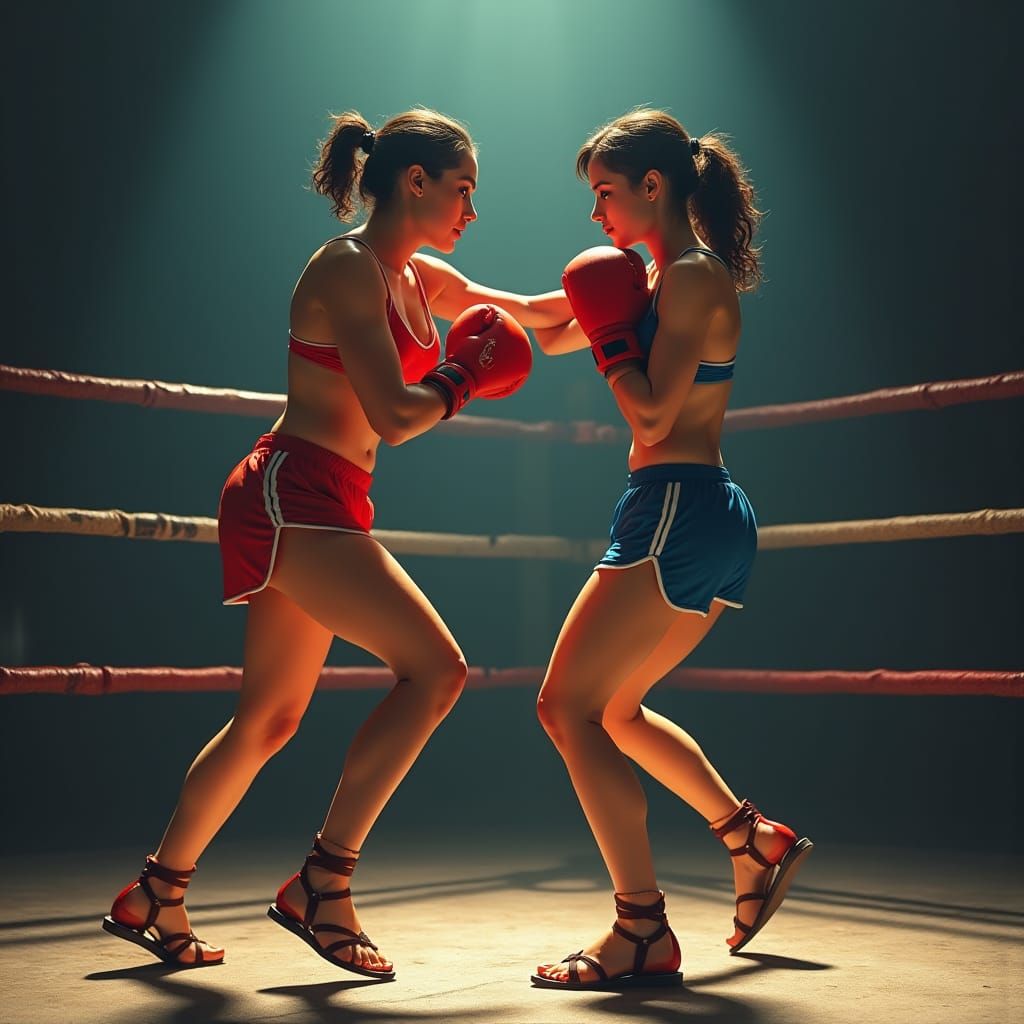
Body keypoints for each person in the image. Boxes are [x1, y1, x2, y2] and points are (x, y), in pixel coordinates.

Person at [102, 107, 571, 978]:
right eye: (463, 191)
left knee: (269, 718)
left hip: (328, 500)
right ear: (415, 182)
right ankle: (324, 881)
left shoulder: (419, 278)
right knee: (437, 670)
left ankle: (156, 894)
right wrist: (464, 375)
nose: (473, 211)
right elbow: (395, 416)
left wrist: (636, 307)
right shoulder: (348, 270)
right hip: (294, 491)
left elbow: (540, 322)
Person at [530, 108, 813, 990]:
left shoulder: (690, 280)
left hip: (674, 510)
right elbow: (550, 322)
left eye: (605, 195)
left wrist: (611, 340)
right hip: (700, 514)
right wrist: (443, 290)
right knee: (613, 710)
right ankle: (749, 839)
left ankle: (641, 929)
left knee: (563, 708)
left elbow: (649, 410)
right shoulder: (657, 278)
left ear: (654, 186)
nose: (596, 215)